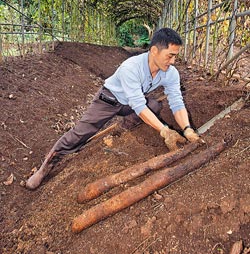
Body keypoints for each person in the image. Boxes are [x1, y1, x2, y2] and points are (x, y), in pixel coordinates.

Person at [26, 27, 202, 190]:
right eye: (170, 56)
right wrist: (165, 131)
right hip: (108, 100)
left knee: (155, 105)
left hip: (129, 104)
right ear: (154, 50)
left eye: (175, 56)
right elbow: (139, 105)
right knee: (80, 133)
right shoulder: (131, 68)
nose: (173, 61)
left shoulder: (170, 73)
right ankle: (44, 168)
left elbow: (177, 101)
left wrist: (187, 129)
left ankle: (123, 128)